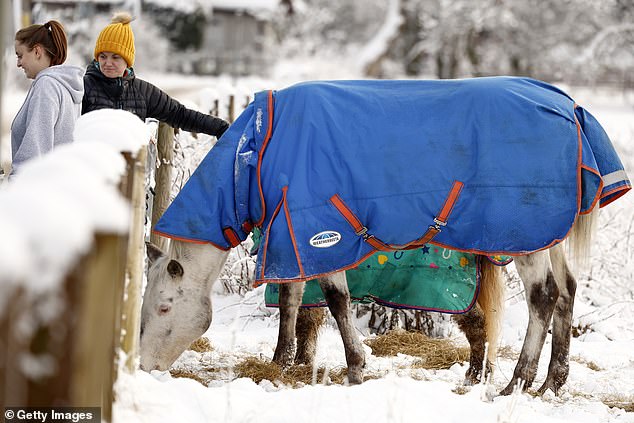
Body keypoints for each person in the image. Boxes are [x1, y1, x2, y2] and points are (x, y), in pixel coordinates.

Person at [82, 12, 229, 138]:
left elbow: (179, 114)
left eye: (115, 57)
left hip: (132, 169)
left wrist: (219, 128)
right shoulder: (84, 87)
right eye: (102, 56)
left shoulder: (142, 91)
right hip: (94, 167)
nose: (107, 63)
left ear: (127, 60)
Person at [11, 20, 84, 176]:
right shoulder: (64, 85)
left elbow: (35, 149)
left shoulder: (47, 86)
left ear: (37, 51)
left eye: (20, 55)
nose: (18, 63)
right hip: (57, 186)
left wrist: (16, 187)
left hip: (38, 188)